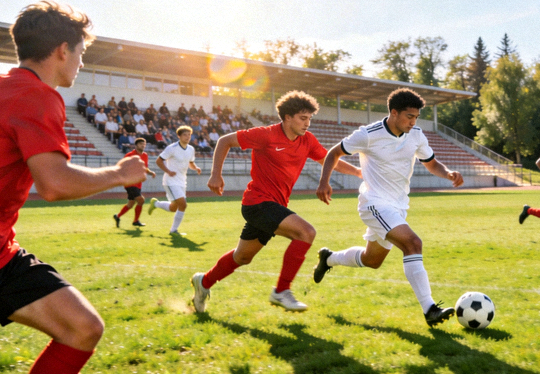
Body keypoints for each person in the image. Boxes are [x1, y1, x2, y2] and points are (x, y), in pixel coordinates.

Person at [0, 3, 149, 374]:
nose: (81, 63)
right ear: (63, 50)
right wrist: (120, 173)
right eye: (82, 53)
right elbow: (54, 184)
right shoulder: (38, 95)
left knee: (82, 328)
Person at [190, 91, 360, 313]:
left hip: (275, 206)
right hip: (257, 203)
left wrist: (358, 172)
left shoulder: (307, 140)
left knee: (242, 257)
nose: (307, 124)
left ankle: (203, 282)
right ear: (287, 117)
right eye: (302, 118)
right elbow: (224, 141)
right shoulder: (266, 135)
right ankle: (281, 291)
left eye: (309, 118)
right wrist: (215, 175)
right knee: (306, 232)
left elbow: (329, 160)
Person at [314, 88, 463, 327]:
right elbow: (334, 152)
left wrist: (448, 174)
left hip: (398, 206)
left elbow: (432, 163)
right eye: (408, 116)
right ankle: (430, 309)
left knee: (371, 260)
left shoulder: (416, 135)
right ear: (394, 112)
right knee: (413, 244)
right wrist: (324, 182)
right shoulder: (368, 134)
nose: (413, 122)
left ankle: (328, 258)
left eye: (416, 117)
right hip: (374, 203)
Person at [148, 126, 201, 235]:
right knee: (183, 204)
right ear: (179, 136)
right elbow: (159, 161)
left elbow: (190, 163)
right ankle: (173, 231)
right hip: (171, 181)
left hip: (182, 181)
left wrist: (196, 168)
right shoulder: (172, 148)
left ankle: (156, 204)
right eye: (185, 135)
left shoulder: (191, 149)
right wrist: (168, 171)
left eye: (189, 135)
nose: (187, 137)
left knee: (173, 208)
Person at [114, 138, 157, 227]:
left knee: (131, 203)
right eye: (141, 144)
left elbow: (144, 168)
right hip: (130, 183)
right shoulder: (130, 155)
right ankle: (135, 221)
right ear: (136, 145)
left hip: (138, 183)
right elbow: (122, 166)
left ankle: (117, 216)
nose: (143, 146)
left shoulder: (145, 155)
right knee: (141, 200)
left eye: (144, 144)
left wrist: (150, 172)